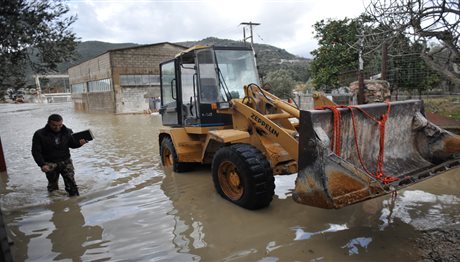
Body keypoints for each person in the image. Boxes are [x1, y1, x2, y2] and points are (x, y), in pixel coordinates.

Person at [31, 114, 87, 196]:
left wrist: (80, 144)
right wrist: (42, 164)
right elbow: (36, 152)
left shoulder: (68, 131)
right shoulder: (39, 134)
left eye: (60, 125)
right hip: (50, 163)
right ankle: (55, 204)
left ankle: (75, 204)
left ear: (62, 123)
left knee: (72, 186)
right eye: (54, 125)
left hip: (66, 161)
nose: (57, 127)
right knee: (53, 187)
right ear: (48, 123)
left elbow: (72, 144)